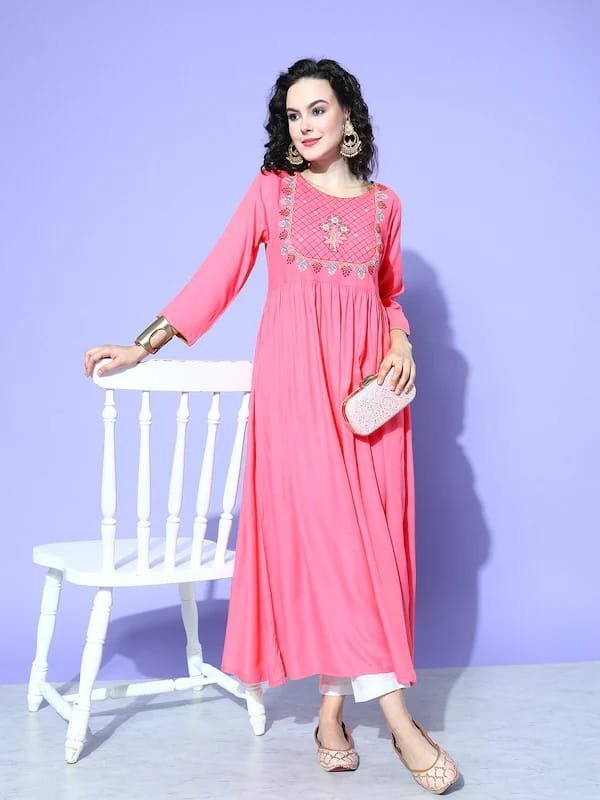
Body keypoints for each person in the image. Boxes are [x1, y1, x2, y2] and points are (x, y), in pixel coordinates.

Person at [84, 58, 460, 792]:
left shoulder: (386, 206)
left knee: (367, 553)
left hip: (366, 401)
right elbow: (218, 275)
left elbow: (389, 294)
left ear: (348, 115)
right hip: (296, 396)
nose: (305, 124)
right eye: (293, 114)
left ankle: (330, 715)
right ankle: (401, 722)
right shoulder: (272, 193)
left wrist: (403, 341)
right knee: (339, 547)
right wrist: (143, 345)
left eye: (318, 108)